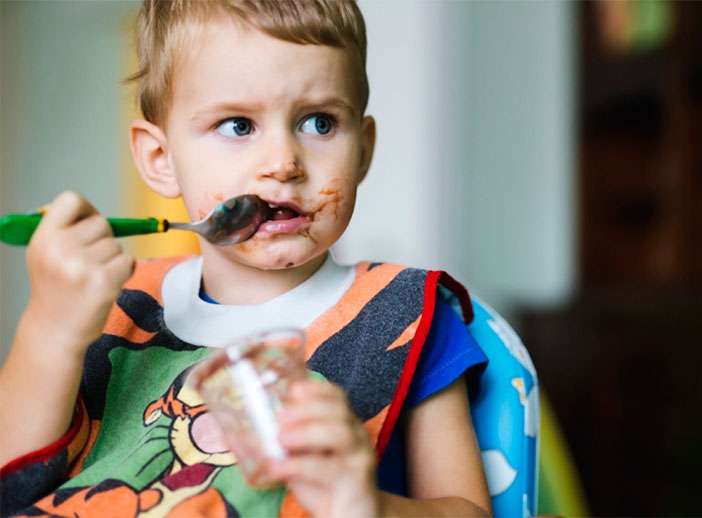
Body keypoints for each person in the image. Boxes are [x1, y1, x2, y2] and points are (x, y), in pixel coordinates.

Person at [0, 1, 492, 516]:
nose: (283, 163)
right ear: (161, 161)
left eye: (319, 123)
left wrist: (368, 505)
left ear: (363, 150)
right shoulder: (115, 306)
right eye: (238, 125)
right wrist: (49, 331)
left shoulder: (402, 315)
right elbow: (13, 485)